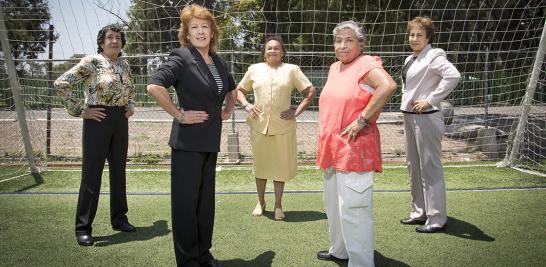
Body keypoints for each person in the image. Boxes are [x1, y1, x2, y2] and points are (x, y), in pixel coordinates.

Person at [146, 4, 236, 267]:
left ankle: (203, 254)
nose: (200, 31)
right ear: (186, 32)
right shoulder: (182, 56)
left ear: (212, 31)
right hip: (187, 145)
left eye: (204, 26)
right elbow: (154, 86)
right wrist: (179, 114)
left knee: (204, 206)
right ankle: (187, 261)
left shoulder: (218, 61)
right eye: (194, 27)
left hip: (210, 143)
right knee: (186, 207)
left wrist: (229, 108)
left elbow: (232, 87)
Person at [316, 21, 397, 267]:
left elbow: (388, 86)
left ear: (361, 44)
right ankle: (339, 250)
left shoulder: (366, 64)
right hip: (333, 149)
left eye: (349, 40)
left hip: (355, 148)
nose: (342, 45)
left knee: (354, 209)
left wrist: (362, 120)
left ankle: (361, 262)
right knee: (334, 205)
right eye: (338, 40)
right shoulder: (334, 67)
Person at [54, 24, 137, 246]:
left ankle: (119, 219)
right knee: (92, 175)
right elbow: (61, 84)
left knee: (119, 172)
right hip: (96, 120)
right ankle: (83, 227)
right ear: (101, 42)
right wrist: (82, 111)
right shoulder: (91, 62)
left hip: (120, 121)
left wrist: (130, 105)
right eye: (109, 37)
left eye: (118, 37)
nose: (114, 41)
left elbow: (131, 89)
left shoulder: (124, 64)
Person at [236, 36, 316, 220]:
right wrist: (247, 105)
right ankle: (260, 202)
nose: (272, 51)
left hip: (283, 127)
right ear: (264, 52)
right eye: (269, 48)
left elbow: (310, 91)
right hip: (259, 126)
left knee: (279, 168)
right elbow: (240, 90)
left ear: (282, 52)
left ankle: (278, 205)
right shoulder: (253, 70)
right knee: (261, 167)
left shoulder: (292, 70)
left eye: (276, 48)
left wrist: (296, 111)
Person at [399, 16, 460, 233]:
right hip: (409, 116)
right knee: (413, 166)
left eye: (419, 35)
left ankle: (436, 219)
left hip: (427, 118)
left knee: (430, 169)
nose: (414, 38)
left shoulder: (434, 55)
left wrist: (431, 100)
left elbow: (453, 76)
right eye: (411, 34)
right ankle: (419, 212)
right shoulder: (409, 58)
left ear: (428, 37)